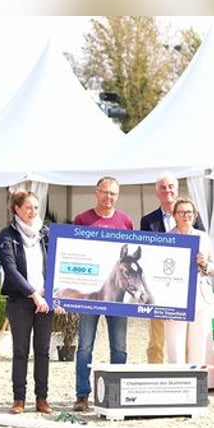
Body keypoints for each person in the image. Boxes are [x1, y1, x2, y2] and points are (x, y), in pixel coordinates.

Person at [71, 176, 134, 412]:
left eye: (113, 194)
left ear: (117, 196)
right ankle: (82, 394)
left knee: (119, 347)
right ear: (96, 192)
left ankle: (116, 391)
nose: (109, 197)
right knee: (85, 346)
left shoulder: (125, 221)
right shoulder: (83, 219)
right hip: (91, 296)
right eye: (105, 192)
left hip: (117, 299)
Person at [0, 191, 53, 415]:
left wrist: (52, 294)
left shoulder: (46, 233)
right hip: (20, 301)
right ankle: (19, 399)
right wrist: (33, 293)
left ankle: (42, 398)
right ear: (17, 209)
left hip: (45, 301)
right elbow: (10, 269)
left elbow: (57, 262)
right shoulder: (7, 235)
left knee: (43, 350)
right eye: (28, 207)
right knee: (20, 351)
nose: (33, 212)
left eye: (36, 208)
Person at [140, 172, 204, 363]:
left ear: (177, 189)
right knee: (156, 338)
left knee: (183, 336)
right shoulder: (148, 221)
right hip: (159, 289)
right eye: (163, 187)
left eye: (171, 187)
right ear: (157, 192)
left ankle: (182, 375)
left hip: (185, 288)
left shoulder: (192, 216)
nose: (167, 190)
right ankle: (155, 374)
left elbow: (201, 245)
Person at [164, 197, 214, 364]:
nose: (185, 216)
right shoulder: (167, 238)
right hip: (175, 296)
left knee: (198, 342)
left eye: (189, 212)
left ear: (195, 215)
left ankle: (196, 380)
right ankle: (176, 380)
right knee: (175, 342)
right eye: (181, 212)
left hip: (200, 294)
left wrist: (205, 264)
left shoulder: (203, 237)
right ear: (174, 215)